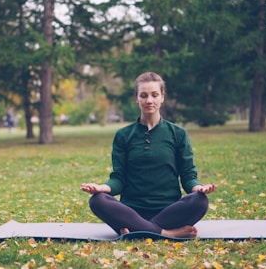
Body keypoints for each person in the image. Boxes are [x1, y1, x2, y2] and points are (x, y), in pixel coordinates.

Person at [81, 72, 217, 238]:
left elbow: (188, 176)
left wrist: (199, 188)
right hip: (131, 212)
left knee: (200, 201)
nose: (149, 101)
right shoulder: (123, 135)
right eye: (143, 96)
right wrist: (102, 188)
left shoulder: (178, 134)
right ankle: (166, 233)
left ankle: (138, 231)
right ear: (136, 99)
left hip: (169, 212)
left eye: (154, 95)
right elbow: (118, 179)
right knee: (97, 200)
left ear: (162, 97)